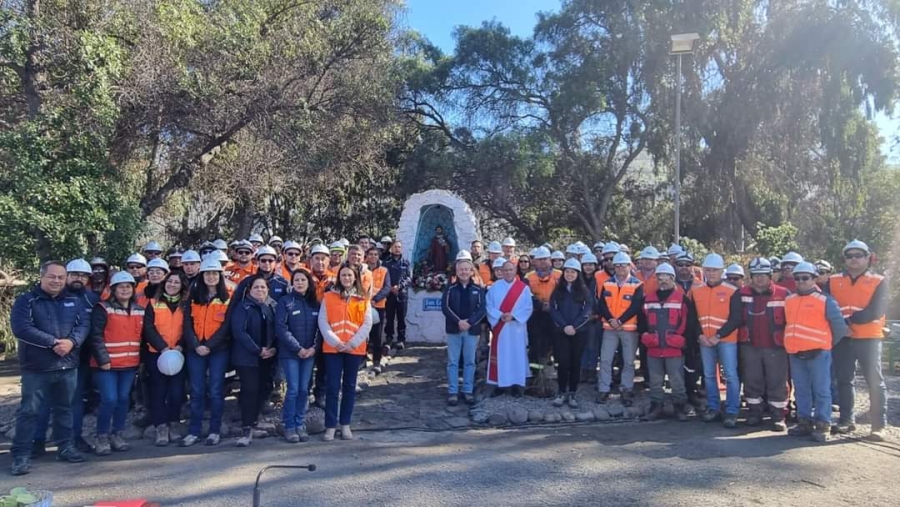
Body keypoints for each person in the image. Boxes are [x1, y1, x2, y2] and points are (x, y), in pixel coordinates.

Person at [10, 261, 90, 475]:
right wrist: (54, 342)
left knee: (64, 408)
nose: (56, 281)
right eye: (52, 277)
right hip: (36, 367)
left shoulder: (74, 300)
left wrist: (72, 342)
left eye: (60, 277)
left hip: (67, 365)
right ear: (42, 277)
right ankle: (21, 455)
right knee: (29, 412)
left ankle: (65, 448)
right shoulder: (26, 301)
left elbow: (83, 325)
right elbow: (22, 328)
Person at [32, 259, 99, 457]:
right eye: (75, 274)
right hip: (46, 358)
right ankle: (37, 440)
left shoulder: (92, 299)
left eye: (84, 275)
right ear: (67, 276)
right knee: (42, 401)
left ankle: (73, 439)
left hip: (79, 359)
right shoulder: (50, 297)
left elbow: (91, 328)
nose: (79, 278)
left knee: (73, 401)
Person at [826, 240, 888, 440]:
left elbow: (876, 310)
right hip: (842, 338)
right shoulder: (833, 280)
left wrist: (848, 322)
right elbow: (826, 305)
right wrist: (841, 328)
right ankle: (846, 420)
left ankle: (878, 425)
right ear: (844, 259)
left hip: (869, 337)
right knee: (844, 380)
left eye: (858, 255)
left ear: (868, 257)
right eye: (849, 256)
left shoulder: (879, 280)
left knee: (875, 382)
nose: (854, 259)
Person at [785, 262, 849, 442]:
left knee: (822, 391)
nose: (801, 281)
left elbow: (839, 328)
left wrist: (825, 344)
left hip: (819, 353)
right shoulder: (789, 300)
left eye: (805, 277)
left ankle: (823, 424)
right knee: (801, 390)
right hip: (796, 353)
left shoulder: (826, 300)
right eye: (797, 278)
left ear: (814, 278)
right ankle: (804, 421)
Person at [89, 271, 144, 456]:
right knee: (109, 399)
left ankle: (117, 434)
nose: (125, 289)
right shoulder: (103, 308)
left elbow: (142, 337)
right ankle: (101, 436)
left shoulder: (138, 310)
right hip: (106, 365)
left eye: (128, 286)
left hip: (129, 364)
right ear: (113, 289)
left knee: (123, 400)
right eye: (121, 287)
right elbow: (95, 336)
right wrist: (103, 359)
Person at [733, 258, 789, 431]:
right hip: (749, 346)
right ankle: (754, 412)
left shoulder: (783, 293)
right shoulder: (741, 294)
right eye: (755, 275)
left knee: (777, 382)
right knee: (752, 381)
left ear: (770, 275)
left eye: (763, 275)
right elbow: (734, 319)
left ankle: (778, 416)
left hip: (776, 347)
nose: (759, 279)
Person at [318, 266, 373, 441]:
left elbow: (367, 323)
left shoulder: (363, 298)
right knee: (332, 387)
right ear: (339, 277)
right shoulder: (328, 297)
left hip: (354, 349)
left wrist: (353, 343)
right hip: (333, 349)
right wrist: (336, 342)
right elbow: (323, 322)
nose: (347, 278)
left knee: (349, 387)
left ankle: (345, 424)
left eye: (350, 275)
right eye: (343, 275)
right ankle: (330, 426)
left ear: (355, 277)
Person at [181, 257, 231, 447]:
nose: (211, 277)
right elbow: (186, 324)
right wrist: (196, 345)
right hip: (195, 350)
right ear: (202, 276)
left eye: (214, 273)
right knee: (196, 390)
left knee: (216, 390)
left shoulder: (227, 299)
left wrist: (209, 345)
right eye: (207, 274)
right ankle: (194, 431)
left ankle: (214, 431)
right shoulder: (193, 298)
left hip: (218, 350)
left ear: (220, 275)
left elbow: (226, 327)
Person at [691, 253, 742, 428]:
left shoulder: (733, 291)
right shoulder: (697, 291)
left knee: (730, 376)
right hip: (705, 341)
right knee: (709, 376)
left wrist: (718, 336)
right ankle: (713, 408)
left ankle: (732, 410)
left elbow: (736, 318)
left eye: (715, 270)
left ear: (722, 271)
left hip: (726, 340)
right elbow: (694, 318)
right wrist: (700, 336)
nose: (711, 273)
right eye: (708, 270)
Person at [639, 263, 694, 421]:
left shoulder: (682, 299)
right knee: (655, 381)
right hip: (653, 347)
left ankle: (679, 408)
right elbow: (641, 321)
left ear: (673, 279)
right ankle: (656, 408)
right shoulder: (647, 299)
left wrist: (682, 340)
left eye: (666, 278)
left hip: (674, 348)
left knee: (677, 381)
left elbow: (688, 322)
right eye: (660, 278)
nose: (663, 281)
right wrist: (645, 336)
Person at [230, 275, 277, 447]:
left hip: (267, 357)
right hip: (247, 357)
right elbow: (239, 332)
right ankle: (246, 428)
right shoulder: (243, 307)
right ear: (249, 290)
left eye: (263, 287)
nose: (260, 290)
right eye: (256, 287)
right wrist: (257, 350)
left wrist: (273, 349)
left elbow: (276, 330)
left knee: (262, 390)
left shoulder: (270, 307)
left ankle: (255, 423)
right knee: (250, 390)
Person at [142, 270, 188, 446]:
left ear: (182, 285)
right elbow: (148, 328)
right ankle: (161, 426)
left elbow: (188, 327)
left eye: (177, 282)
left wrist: (180, 345)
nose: (172, 285)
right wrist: (162, 348)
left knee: (177, 392)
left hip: (178, 354)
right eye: (170, 282)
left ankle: (174, 423)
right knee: (158, 391)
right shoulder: (153, 303)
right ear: (164, 283)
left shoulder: (186, 305)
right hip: (157, 354)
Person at [276, 270, 320, 443]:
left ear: (308, 283)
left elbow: (320, 329)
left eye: (303, 280)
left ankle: (300, 424)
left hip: (310, 353)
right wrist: (298, 348)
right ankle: (289, 426)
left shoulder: (315, 304)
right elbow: (281, 328)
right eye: (297, 280)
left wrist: (313, 348)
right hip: (291, 354)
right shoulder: (285, 302)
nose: (300, 283)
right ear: (292, 283)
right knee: (293, 389)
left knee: (304, 389)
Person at [596, 252, 644, 405]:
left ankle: (626, 390)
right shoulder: (607, 283)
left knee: (629, 361)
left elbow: (636, 306)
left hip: (628, 328)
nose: (620, 268)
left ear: (630, 266)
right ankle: (603, 390)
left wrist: (620, 320)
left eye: (623, 265)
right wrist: (611, 319)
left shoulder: (637, 284)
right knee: (605, 360)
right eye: (617, 265)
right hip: (610, 328)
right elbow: (602, 304)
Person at [441, 256, 486, 406]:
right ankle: (453, 392)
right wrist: (458, 321)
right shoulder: (450, 288)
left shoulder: (478, 289)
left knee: (470, 362)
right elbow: (445, 308)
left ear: (471, 271)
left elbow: (482, 309)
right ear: (457, 271)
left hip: (472, 330)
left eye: (467, 269)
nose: (464, 272)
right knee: (453, 362)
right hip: (454, 329)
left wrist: (469, 322)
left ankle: (467, 390)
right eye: (461, 269)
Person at [486, 259, 534, 397]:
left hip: (516, 329)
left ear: (515, 271)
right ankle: (500, 384)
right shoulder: (494, 287)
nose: (508, 272)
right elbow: (488, 306)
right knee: (501, 355)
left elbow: (528, 307)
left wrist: (513, 316)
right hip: (500, 328)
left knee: (516, 355)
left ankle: (516, 385)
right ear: (501, 271)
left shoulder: (523, 288)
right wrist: (500, 315)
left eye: (510, 270)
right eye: (505, 270)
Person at [549, 259, 592, 408]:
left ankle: (572, 393)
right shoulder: (558, 290)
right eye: (567, 271)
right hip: (561, 332)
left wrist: (574, 326)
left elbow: (587, 311)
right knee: (563, 362)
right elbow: (553, 309)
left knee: (575, 362)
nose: (569, 274)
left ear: (577, 274)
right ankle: (561, 391)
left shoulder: (584, 291)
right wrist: (564, 326)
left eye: (573, 272)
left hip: (579, 332)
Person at [524, 247, 559, 366]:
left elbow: (564, 294)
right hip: (536, 315)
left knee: (556, 344)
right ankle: (536, 375)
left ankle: (554, 373)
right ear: (535, 261)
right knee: (536, 343)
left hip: (555, 315)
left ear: (550, 260)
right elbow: (526, 295)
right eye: (539, 259)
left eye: (545, 259)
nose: (542, 262)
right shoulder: (528, 277)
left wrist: (552, 305)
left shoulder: (560, 275)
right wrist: (541, 305)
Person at [366, 247, 391, 374]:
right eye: (370, 254)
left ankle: (376, 361)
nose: (373, 257)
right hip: (363, 306)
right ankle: (362, 359)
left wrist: (375, 299)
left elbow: (387, 288)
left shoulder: (384, 270)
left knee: (377, 336)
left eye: (375, 254)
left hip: (378, 306)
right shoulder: (362, 269)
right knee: (363, 334)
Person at [383, 240, 411, 352]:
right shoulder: (386, 262)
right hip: (389, 294)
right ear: (391, 249)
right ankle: (389, 338)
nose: (397, 249)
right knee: (389, 318)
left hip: (402, 294)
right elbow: (383, 277)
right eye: (395, 247)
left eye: (399, 247)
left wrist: (400, 286)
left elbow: (409, 278)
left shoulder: (405, 262)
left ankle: (401, 339)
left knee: (401, 318)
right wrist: (389, 287)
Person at [579, 253, 601, 384]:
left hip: (594, 318)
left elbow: (600, 299)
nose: (588, 267)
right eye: (585, 265)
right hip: (580, 318)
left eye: (590, 264)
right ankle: (583, 370)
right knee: (582, 345)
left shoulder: (598, 279)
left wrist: (595, 314)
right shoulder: (578, 279)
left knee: (592, 345)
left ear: (595, 266)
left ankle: (592, 370)